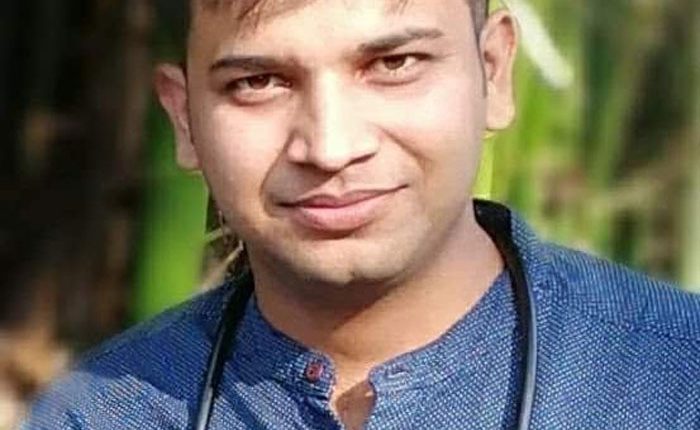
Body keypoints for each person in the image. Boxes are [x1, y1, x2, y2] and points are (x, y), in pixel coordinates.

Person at [22, 0, 700, 429]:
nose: (331, 146)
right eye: (259, 82)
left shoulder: (674, 377)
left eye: (395, 63)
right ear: (184, 119)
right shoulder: (99, 413)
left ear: (494, 73)